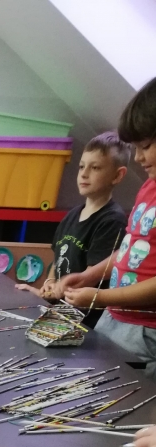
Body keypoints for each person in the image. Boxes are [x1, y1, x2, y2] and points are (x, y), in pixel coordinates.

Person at [65, 78, 156, 378]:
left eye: (145, 146)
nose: (138, 157)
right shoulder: (149, 187)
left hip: (145, 332)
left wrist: (99, 297)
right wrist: (89, 276)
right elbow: (130, 251)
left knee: (123, 394)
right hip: (113, 319)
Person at [17, 132, 129, 326]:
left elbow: (89, 278)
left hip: (84, 322)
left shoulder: (112, 221)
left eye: (95, 167)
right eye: (81, 166)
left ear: (117, 175)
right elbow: (57, 262)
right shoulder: (72, 215)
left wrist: (56, 292)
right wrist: (48, 285)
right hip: (60, 312)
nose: (84, 174)